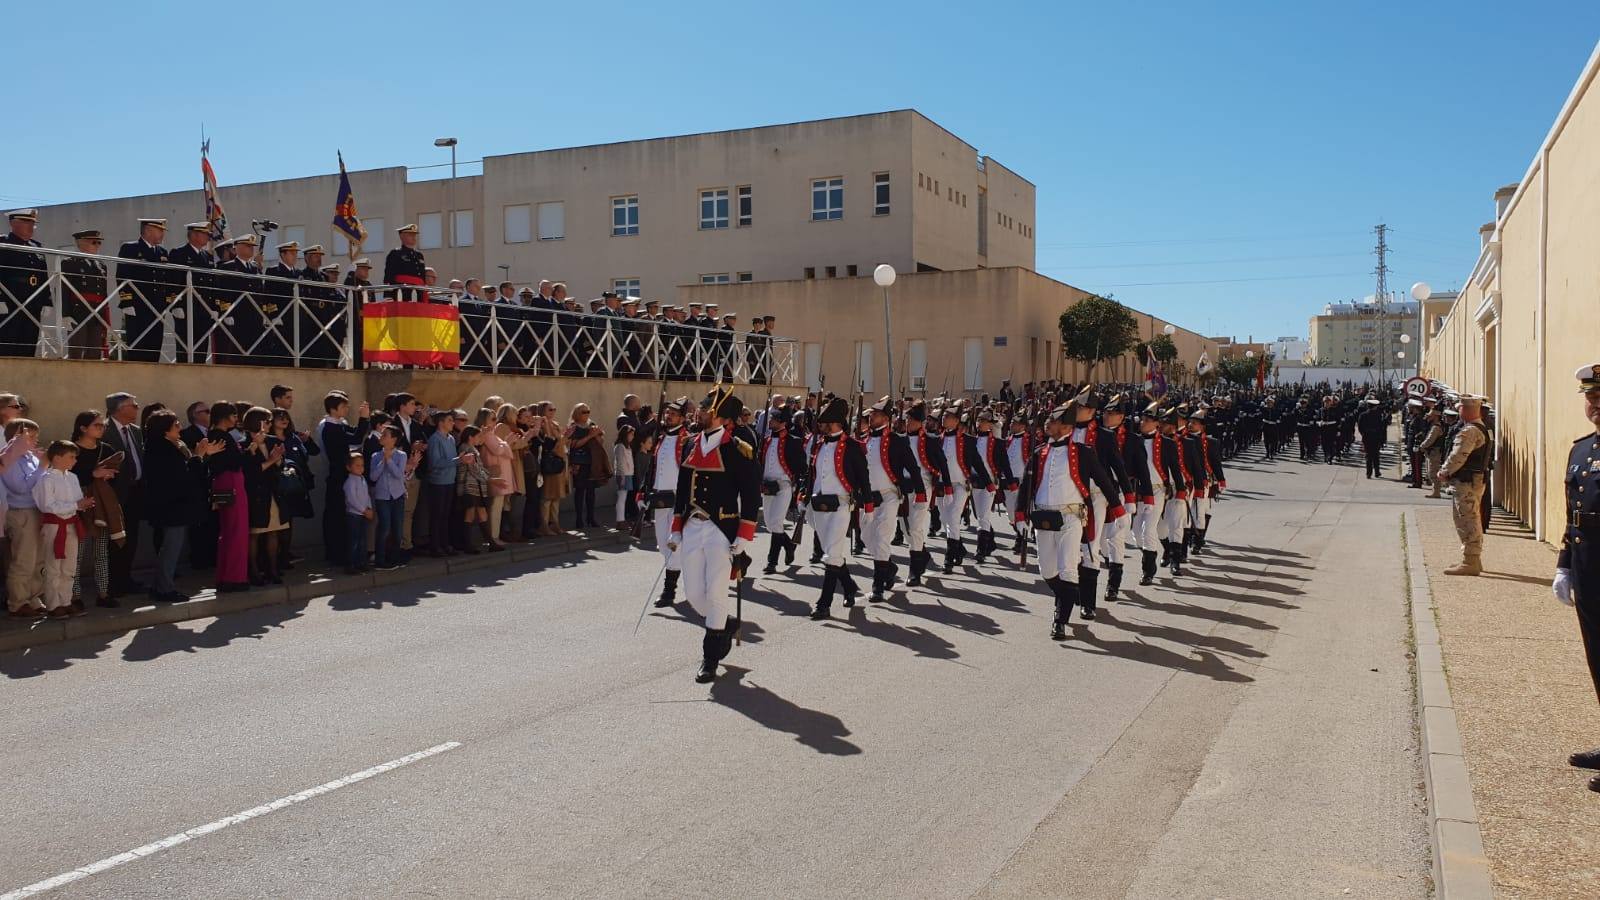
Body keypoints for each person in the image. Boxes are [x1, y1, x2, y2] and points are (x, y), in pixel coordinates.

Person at [665, 386, 761, 683]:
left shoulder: (738, 449)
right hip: (693, 526)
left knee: (717, 593)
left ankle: (709, 658)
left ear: (720, 417)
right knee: (694, 594)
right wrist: (677, 528)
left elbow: (751, 494)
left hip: (722, 529)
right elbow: (683, 490)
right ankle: (725, 624)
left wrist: (744, 535)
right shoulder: (690, 443)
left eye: (706, 410)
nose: (700, 413)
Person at [1554, 364, 1600, 792]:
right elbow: (1574, 514)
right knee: (1598, 659)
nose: (1596, 405)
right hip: (1589, 570)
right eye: (1591, 397)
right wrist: (1565, 563)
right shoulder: (1582, 451)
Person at [804, 396, 870, 619]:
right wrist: (802, 495)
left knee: (831, 554)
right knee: (831, 554)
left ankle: (824, 604)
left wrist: (868, 504)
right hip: (819, 506)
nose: (821, 425)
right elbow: (812, 474)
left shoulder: (852, 447)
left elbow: (863, 477)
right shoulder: (819, 445)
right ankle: (849, 586)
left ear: (835, 423)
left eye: (824, 422)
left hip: (841, 506)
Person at [143, 408, 216, 603]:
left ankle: (161, 586)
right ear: (165, 430)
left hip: (174, 505)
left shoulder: (172, 445)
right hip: (171, 506)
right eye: (175, 425)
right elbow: (182, 478)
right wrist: (198, 457)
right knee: (171, 547)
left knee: (170, 547)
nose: (180, 427)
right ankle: (164, 589)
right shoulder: (162, 450)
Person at [861, 397, 923, 602]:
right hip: (869, 498)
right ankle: (889, 567)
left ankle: (878, 587)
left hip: (889, 496)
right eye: (870, 414)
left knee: (882, 538)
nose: (871, 417)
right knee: (866, 537)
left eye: (876, 414)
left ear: (885, 418)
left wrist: (920, 492)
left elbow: (913, 467)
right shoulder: (865, 440)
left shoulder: (897, 440)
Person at [34, 440, 94, 619]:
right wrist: (76, 505)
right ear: (57, 457)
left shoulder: (72, 477)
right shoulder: (46, 479)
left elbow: (76, 501)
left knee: (69, 566)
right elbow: (48, 506)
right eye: (71, 457)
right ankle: (53, 604)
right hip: (54, 526)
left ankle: (66, 601)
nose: (74, 460)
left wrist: (83, 504)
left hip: (72, 524)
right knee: (53, 566)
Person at [69, 410, 120, 607]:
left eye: (103, 426)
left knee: (101, 549)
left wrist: (109, 476)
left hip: (101, 502)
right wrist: (93, 474)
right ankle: (74, 595)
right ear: (83, 428)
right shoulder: (72, 449)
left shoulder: (105, 449)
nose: (102, 429)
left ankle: (103, 592)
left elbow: (115, 474)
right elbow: (66, 477)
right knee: (77, 551)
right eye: (97, 425)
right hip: (78, 503)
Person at [1437, 395, 1491, 576]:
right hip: (1474, 480)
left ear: (1466, 409)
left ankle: (1471, 561)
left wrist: (1444, 472)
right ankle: (1473, 559)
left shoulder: (1469, 431)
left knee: (1467, 519)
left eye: (1460, 407)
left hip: (1466, 482)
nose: (1458, 410)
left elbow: (1458, 455)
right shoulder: (1481, 427)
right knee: (1470, 517)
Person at [315, 392, 370, 565]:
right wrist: (363, 419)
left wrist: (364, 420)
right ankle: (336, 554)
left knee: (345, 516)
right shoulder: (329, 427)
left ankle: (346, 553)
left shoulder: (339, 424)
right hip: (337, 475)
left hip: (345, 473)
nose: (347, 409)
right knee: (336, 515)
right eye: (343, 406)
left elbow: (353, 433)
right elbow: (355, 437)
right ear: (333, 408)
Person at [102, 392, 146, 597]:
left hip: (136, 492)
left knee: (132, 538)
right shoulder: (104, 430)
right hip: (114, 494)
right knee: (115, 540)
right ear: (120, 408)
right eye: (133, 405)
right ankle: (113, 582)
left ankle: (126, 578)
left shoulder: (136, 431)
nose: (137, 408)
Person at [2, 418, 46, 616]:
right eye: (31, 436)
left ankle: (34, 596)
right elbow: (20, 487)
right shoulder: (10, 459)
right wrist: (41, 468)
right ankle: (18, 601)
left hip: (36, 509)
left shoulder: (31, 458)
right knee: (24, 559)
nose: (35, 440)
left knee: (38, 560)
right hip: (21, 512)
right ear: (16, 437)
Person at [116, 218, 175, 362]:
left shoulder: (162, 252)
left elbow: (167, 280)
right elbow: (123, 275)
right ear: (148, 230)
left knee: (155, 347)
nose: (162, 234)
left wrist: (168, 302)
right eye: (159, 230)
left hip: (158, 307)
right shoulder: (130, 248)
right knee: (138, 347)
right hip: (138, 305)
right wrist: (126, 301)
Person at [758, 407, 808, 574]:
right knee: (771, 524)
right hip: (767, 486)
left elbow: (802, 466)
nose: (770, 421)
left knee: (776, 523)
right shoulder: (765, 440)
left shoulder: (794, 441)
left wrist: (797, 484)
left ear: (783, 423)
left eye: (774, 419)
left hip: (784, 486)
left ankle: (771, 562)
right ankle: (789, 545)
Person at [242, 406, 288, 586]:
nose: (270, 425)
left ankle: (273, 569)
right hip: (255, 495)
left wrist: (277, 461)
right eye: (267, 421)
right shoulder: (244, 443)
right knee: (254, 534)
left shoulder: (272, 440)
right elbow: (250, 472)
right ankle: (254, 571)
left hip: (273, 493)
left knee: (273, 531)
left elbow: (279, 465)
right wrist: (270, 461)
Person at [1, 209, 48, 358]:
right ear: (13, 223)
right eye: (27, 222)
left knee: (29, 340)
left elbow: (43, 276)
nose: (31, 227)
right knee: (8, 339)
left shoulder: (37, 246)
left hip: (34, 298)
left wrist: (48, 301)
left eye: (33, 223)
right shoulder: (3, 242)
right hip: (10, 297)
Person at [62, 229, 110, 360]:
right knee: (77, 350)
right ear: (80, 243)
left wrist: (105, 315)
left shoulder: (101, 265)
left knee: (94, 352)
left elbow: (103, 292)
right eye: (94, 242)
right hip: (77, 312)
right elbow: (63, 289)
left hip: (97, 313)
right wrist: (64, 314)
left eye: (99, 243)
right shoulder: (70, 262)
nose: (97, 246)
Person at [369, 425, 410, 570]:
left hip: (397, 495)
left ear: (394, 439)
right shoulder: (375, 456)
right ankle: (380, 560)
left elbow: (399, 475)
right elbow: (373, 476)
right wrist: (383, 461)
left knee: (397, 528)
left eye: (385, 435)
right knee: (384, 527)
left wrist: (390, 460)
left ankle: (395, 558)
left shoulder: (401, 455)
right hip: (382, 497)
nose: (381, 436)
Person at [566, 404, 603, 529]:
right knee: (580, 491)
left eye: (588, 411)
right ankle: (579, 519)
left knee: (591, 492)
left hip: (592, 462)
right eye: (584, 412)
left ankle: (591, 518)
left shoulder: (591, 425)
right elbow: (573, 445)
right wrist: (590, 436)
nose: (587, 414)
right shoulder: (573, 427)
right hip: (579, 463)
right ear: (577, 413)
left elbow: (600, 442)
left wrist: (597, 434)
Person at [343, 452, 373, 573]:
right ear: (349, 467)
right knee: (354, 541)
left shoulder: (362, 479)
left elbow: (366, 495)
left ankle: (361, 562)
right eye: (357, 465)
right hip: (354, 515)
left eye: (362, 465)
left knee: (362, 540)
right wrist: (364, 510)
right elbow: (352, 500)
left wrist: (369, 508)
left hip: (363, 514)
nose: (361, 468)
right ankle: (351, 564)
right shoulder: (350, 482)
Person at [384, 224, 426, 301]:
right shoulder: (396, 253)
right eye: (410, 235)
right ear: (402, 237)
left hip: (418, 293)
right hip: (403, 293)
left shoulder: (419, 255)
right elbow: (389, 275)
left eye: (414, 235)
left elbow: (422, 277)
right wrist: (388, 295)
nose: (414, 237)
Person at [1357, 396, 1388, 479]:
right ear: (1375, 406)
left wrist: (1364, 434)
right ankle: (1377, 472)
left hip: (1367, 437)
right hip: (1376, 437)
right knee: (1376, 455)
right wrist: (1382, 438)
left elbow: (1360, 427)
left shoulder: (1363, 415)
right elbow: (1382, 427)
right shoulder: (1379, 415)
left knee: (1368, 456)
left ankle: (1369, 473)